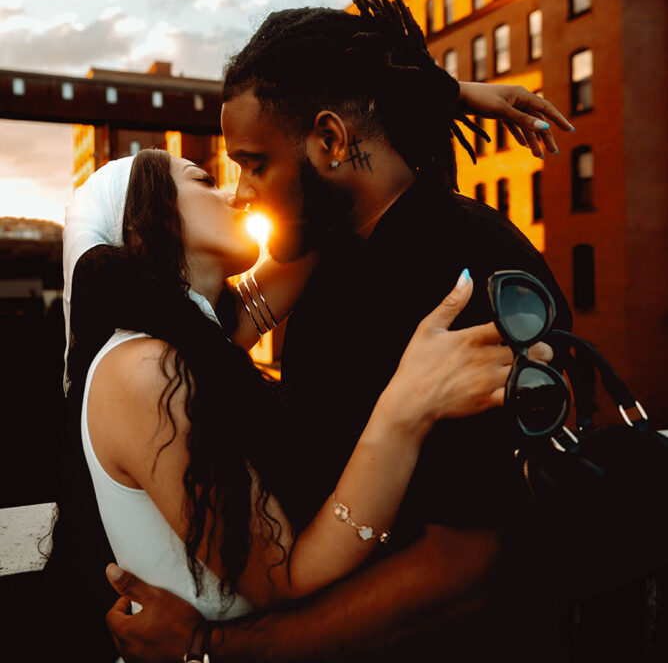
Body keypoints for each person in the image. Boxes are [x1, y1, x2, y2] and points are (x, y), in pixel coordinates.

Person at [103, 0, 575, 663]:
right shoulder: (332, 252)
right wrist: (449, 93)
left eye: (253, 164)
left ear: (328, 139)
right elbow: (210, 323)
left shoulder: (460, 272)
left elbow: (466, 566)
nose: (240, 194)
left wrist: (210, 648)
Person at [54, 146, 553, 663]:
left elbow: (329, 218)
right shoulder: (146, 370)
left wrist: (432, 97)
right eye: (203, 180)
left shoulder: (193, 342)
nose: (234, 192)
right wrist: (408, 404)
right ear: (142, 222)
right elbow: (284, 579)